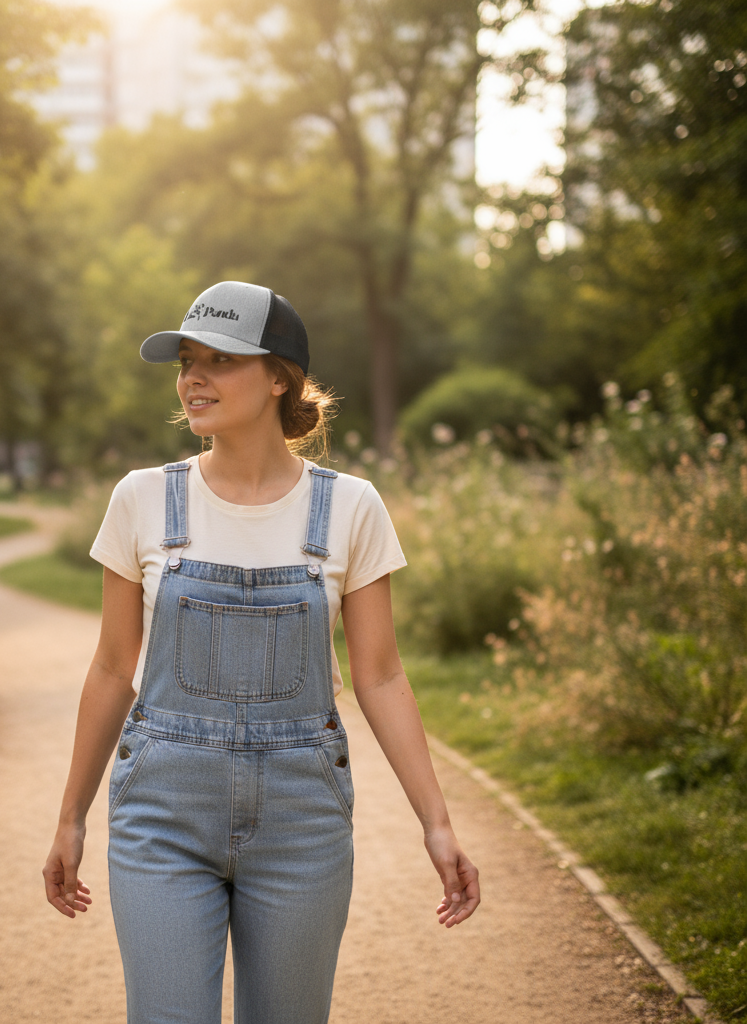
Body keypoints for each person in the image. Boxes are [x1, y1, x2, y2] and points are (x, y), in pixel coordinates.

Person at [42, 281, 480, 1024]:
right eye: (186, 360)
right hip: (162, 813)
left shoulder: (349, 507)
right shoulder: (143, 499)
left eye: (221, 359)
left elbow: (380, 675)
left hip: (301, 821)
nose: (193, 379)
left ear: (280, 376)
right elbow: (115, 667)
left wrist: (436, 823)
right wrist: (72, 816)